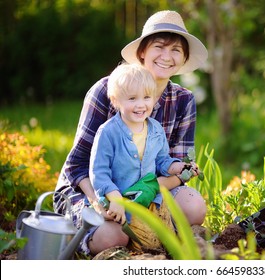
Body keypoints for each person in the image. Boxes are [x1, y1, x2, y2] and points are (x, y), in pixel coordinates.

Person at [54, 10, 208, 255]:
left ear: (184, 57)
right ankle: (91, 241)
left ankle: (151, 242)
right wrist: (101, 202)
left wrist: (143, 194)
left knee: (194, 206)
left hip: (150, 187)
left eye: (176, 50)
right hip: (91, 188)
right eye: (159, 46)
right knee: (112, 236)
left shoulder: (183, 100)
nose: (167, 57)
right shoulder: (107, 90)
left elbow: (182, 165)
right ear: (142, 52)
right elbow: (76, 166)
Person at [89, 62, 188, 226]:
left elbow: (162, 161)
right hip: (117, 202)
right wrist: (115, 198)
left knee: (156, 236)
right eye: (132, 98)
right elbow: (99, 172)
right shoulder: (108, 133)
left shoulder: (156, 129)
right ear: (116, 100)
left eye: (147, 97)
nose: (141, 105)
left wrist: (178, 167)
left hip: (148, 200)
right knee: (117, 236)